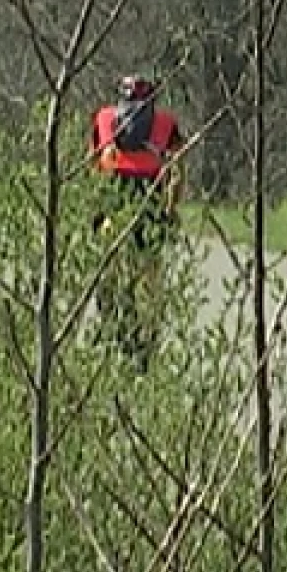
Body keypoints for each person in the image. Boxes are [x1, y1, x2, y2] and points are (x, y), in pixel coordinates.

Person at [89, 74, 185, 371]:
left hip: (115, 199)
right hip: (150, 199)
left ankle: (115, 324)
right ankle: (149, 339)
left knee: (110, 265)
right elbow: (178, 173)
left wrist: (97, 209)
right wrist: (170, 210)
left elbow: (93, 164)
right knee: (151, 275)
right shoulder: (166, 124)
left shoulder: (104, 118)